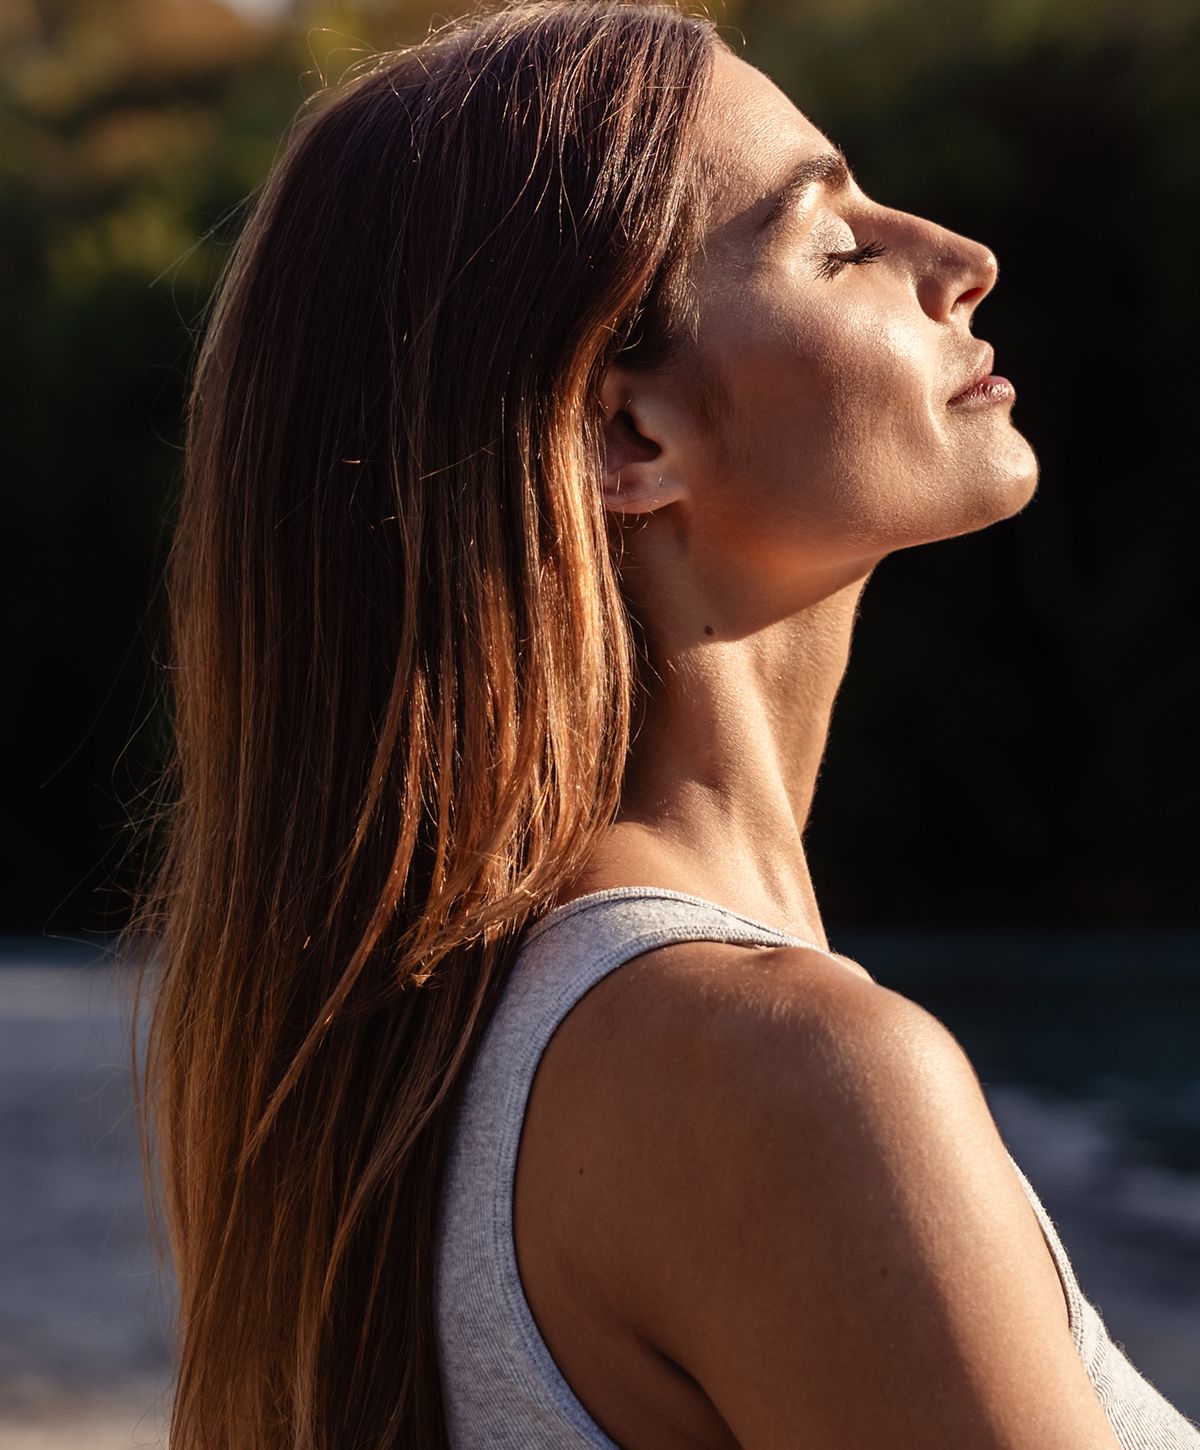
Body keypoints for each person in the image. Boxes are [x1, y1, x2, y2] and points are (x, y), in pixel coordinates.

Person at [129, 1, 1200, 1446]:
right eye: (836, 242)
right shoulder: (792, 1081)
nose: (960, 261)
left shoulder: (405, 1088)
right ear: (630, 439)